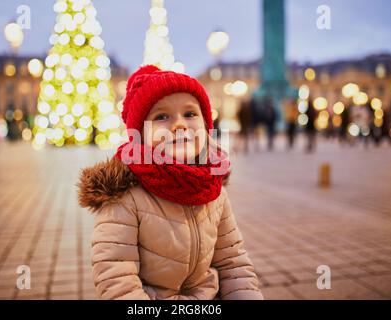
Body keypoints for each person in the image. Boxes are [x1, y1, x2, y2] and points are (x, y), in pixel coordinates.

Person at [77, 65, 263, 300]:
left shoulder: (213, 189)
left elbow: (233, 262)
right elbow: (116, 278)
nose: (179, 125)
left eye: (190, 114)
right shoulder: (125, 195)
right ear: (141, 136)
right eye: (162, 117)